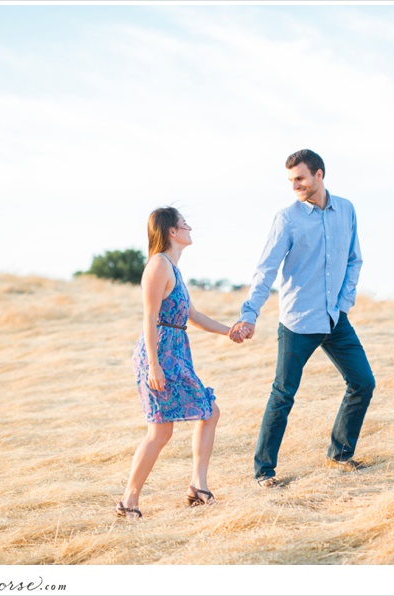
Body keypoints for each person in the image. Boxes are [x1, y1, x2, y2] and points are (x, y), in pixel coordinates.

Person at [230, 149, 375, 488]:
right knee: (283, 395)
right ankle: (264, 473)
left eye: (300, 178)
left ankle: (340, 456)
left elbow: (355, 260)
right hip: (298, 320)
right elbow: (265, 270)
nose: (295, 185)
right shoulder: (287, 218)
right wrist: (249, 315)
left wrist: (343, 303)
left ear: (319, 175)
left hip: (334, 319)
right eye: (291, 180)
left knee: (363, 383)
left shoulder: (347, 210)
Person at [116, 207, 248, 518]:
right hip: (159, 354)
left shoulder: (173, 268)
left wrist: (229, 331)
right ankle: (128, 502)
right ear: (172, 232)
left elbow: (193, 315)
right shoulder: (158, 266)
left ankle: (197, 486)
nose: (190, 228)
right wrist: (153, 365)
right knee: (160, 432)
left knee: (209, 411)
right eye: (184, 224)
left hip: (175, 352)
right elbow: (149, 318)